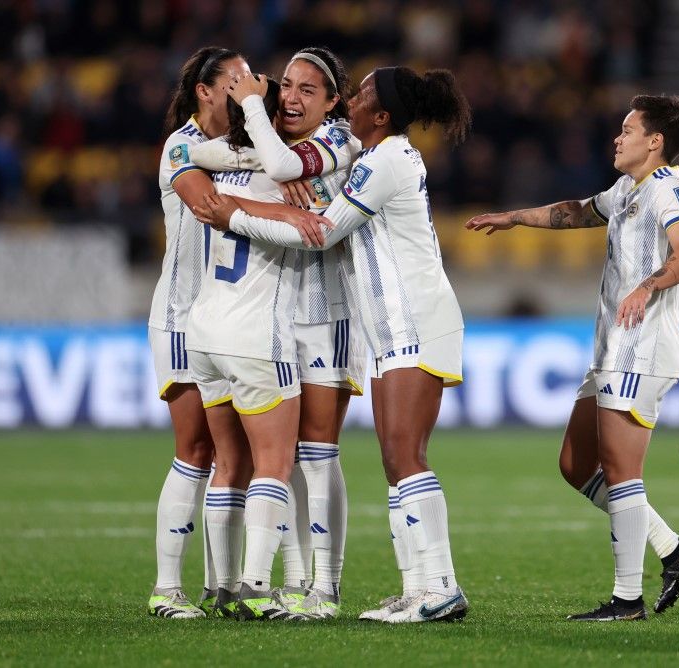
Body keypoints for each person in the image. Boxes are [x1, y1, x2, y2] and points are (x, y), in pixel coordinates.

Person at [198, 65, 472, 624]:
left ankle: (441, 585)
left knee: (405, 457)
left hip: (415, 321)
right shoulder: (377, 158)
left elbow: (322, 232)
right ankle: (418, 587)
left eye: (363, 93)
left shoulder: (385, 160)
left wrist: (236, 216)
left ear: (384, 114)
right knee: (396, 461)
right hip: (395, 329)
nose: (353, 99)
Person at [465, 95, 679, 621]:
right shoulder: (627, 190)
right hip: (612, 349)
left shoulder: (670, 190)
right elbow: (577, 211)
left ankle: (626, 600)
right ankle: (674, 550)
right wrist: (516, 218)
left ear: (655, 141)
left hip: (643, 349)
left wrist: (647, 286)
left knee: (621, 469)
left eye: (627, 129)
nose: (617, 138)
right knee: (576, 465)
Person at [192, 47, 364, 619]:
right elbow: (197, 152)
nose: (290, 97)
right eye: (285, 85)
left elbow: (287, 174)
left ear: (333, 102)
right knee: (282, 456)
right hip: (271, 319)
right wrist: (263, 181)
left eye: (307, 90)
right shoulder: (270, 148)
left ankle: (327, 585)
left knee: (316, 453)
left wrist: (263, 176)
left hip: (325, 313)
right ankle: (291, 581)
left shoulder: (342, 143)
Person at [185, 77, 312, 622]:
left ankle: (219, 584)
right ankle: (256, 584)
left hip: (204, 330)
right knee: (274, 462)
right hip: (258, 332)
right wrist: (288, 211)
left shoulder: (222, 163)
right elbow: (311, 224)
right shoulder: (281, 174)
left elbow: (189, 154)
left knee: (227, 462)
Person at [147, 46, 249, 620]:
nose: (247, 86)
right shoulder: (181, 146)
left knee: (234, 452)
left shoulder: (244, 144)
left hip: (230, 316)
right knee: (196, 448)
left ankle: (223, 584)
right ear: (206, 91)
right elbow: (209, 205)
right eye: (234, 78)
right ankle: (167, 588)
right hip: (183, 315)